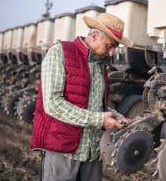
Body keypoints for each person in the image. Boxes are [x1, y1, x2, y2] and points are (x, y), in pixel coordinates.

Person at [30, 13, 133, 181]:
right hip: (63, 150)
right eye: (109, 46)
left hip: (92, 152)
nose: (112, 52)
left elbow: (95, 104)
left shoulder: (100, 66)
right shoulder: (60, 53)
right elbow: (53, 103)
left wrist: (118, 117)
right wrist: (99, 120)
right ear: (94, 36)